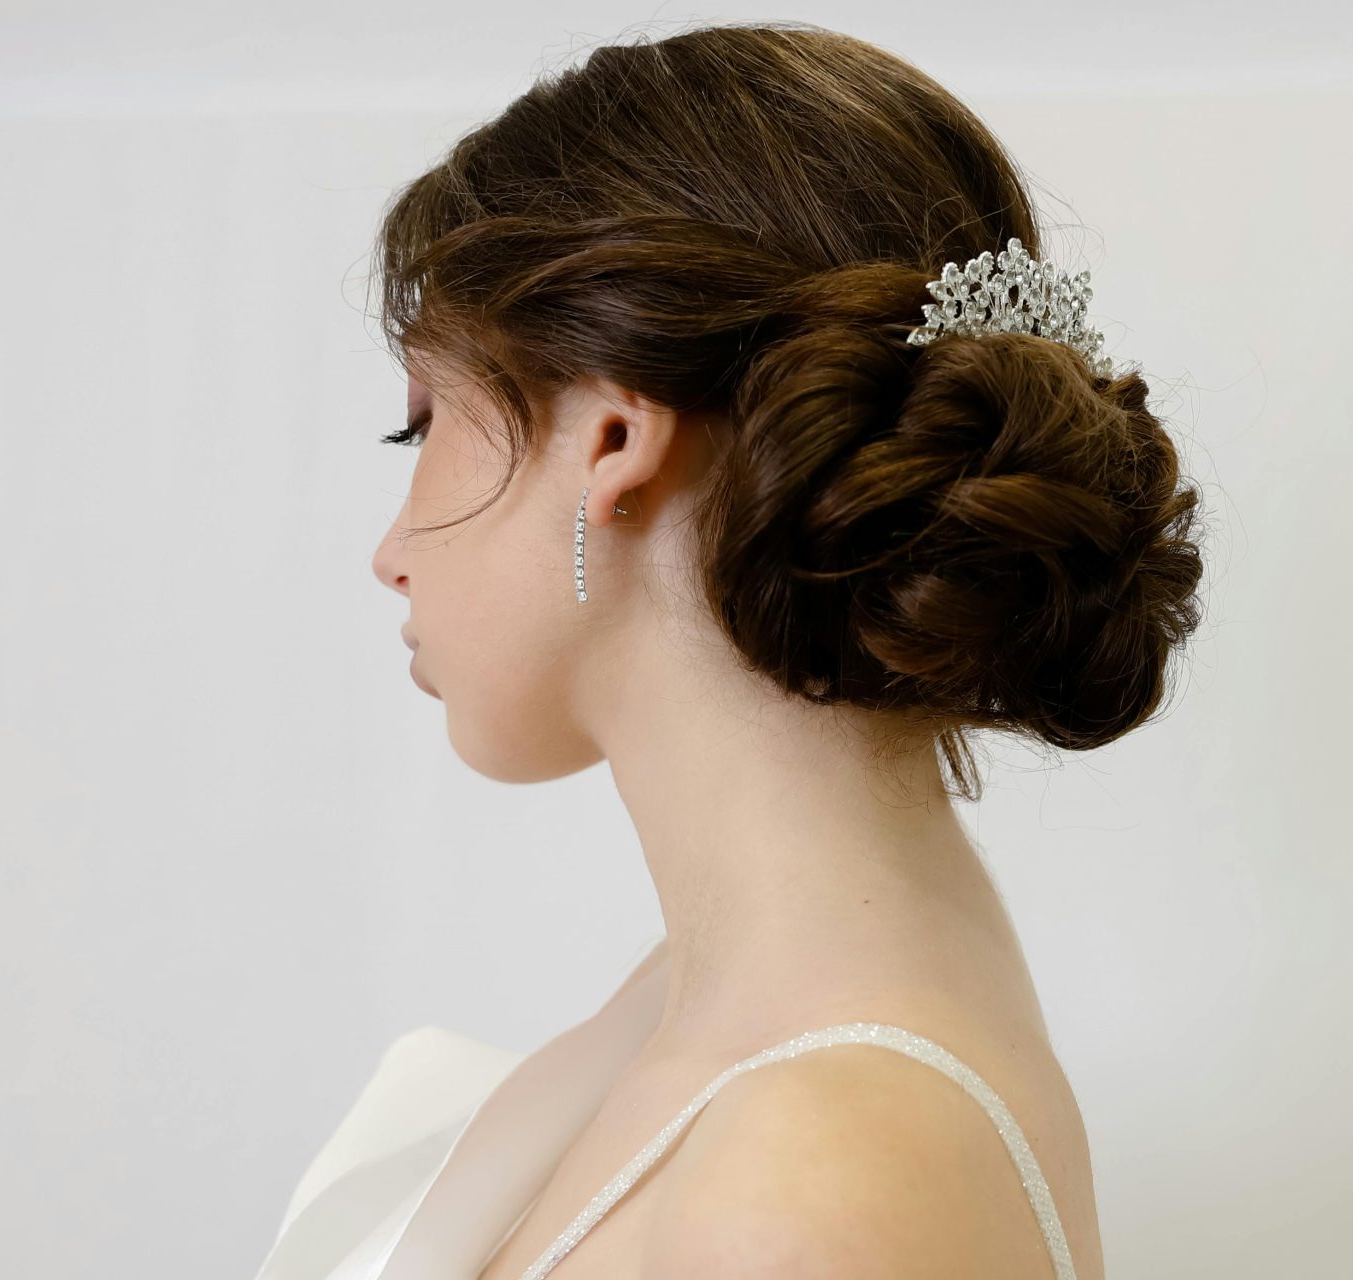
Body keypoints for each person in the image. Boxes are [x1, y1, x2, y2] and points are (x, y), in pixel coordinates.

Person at [259, 19, 1205, 1280]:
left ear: (612, 440)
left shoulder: (813, 1174)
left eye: (423, 422)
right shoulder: (751, 1022)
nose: (392, 549)